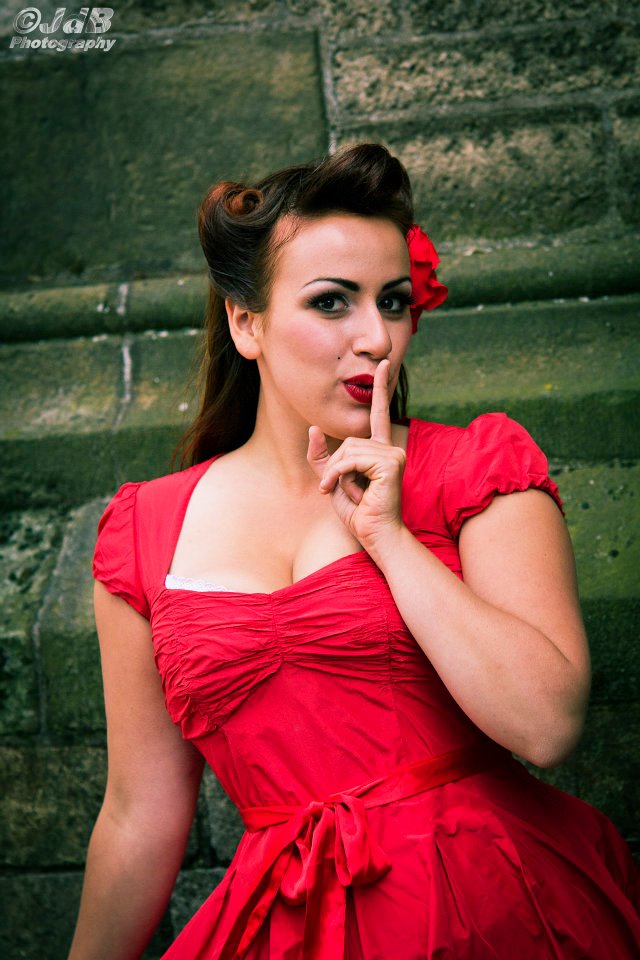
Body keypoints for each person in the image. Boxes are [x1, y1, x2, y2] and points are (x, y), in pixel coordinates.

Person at [68, 143, 640, 959]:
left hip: (488, 908)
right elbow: (139, 814)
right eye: (333, 302)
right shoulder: (142, 531)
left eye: (394, 302)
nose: (377, 337)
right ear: (246, 323)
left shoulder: (476, 468)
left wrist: (391, 541)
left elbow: (545, 726)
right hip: (288, 928)